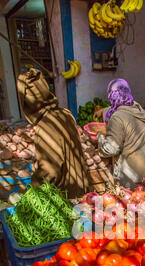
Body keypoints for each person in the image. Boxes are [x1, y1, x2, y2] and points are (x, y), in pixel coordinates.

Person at [17, 68, 90, 198]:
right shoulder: (65, 114)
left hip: (65, 196)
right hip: (80, 186)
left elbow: (49, 170)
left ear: (27, 103)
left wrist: (34, 193)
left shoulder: (45, 126)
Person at [95, 79, 145, 189]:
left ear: (111, 96)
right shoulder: (136, 108)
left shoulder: (117, 118)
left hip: (134, 173)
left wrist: (100, 136)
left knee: (133, 203)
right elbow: (121, 107)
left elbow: (111, 149)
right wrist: (104, 111)